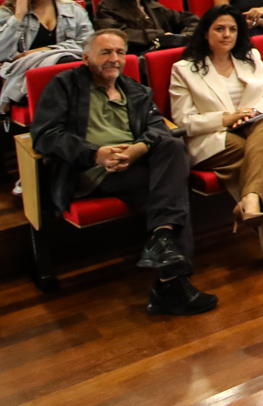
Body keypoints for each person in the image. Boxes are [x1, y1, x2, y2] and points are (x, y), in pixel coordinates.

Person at [30, 30, 216, 315]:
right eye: (105, 52)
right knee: (171, 191)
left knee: (171, 145)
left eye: (119, 52)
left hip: (134, 162)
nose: (113, 59)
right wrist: (95, 153)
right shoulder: (65, 85)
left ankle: (162, 244)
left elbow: (156, 126)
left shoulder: (135, 89)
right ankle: (171, 283)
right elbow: (45, 134)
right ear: (86, 57)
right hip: (92, 169)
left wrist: (138, 149)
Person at [169, 7, 263, 274]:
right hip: (213, 139)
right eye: (220, 29)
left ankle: (250, 201)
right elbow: (184, 121)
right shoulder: (184, 69)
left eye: (233, 29)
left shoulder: (250, 57)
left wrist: (254, 112)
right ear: (206, 32)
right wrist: (225, 119)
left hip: (254, 129)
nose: (227, 35)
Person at [0, 0, 93, 116]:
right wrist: (18, 16)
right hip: (27, 82)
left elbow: (88, 46)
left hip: (69, 74)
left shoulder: (73, 9)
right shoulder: (9, 13)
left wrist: (44, 51)